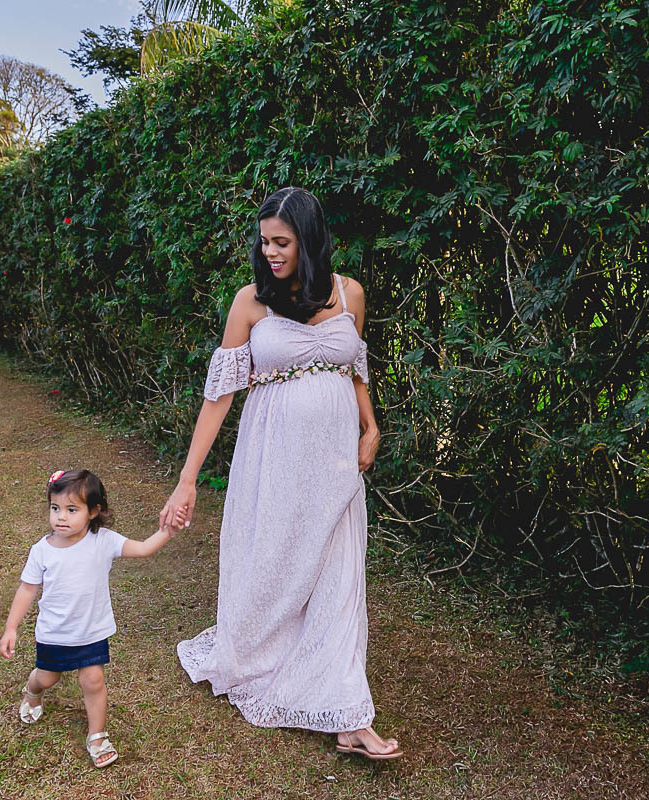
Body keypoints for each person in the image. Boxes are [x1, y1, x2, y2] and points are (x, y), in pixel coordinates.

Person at [159, 187, 401, 760]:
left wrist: (370, 425)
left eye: (282, 242)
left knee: (342, 575)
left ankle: (348, 715)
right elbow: (219, 395)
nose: (270, 251)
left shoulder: (350, 294)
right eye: (264, 241)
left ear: (310, 240)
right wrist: (188, 478)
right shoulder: (250, 304)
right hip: (274, 459)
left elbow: (354, 367)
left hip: (337, 459)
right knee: (276, 562)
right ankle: (263, 651)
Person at [0, 468, 184, 768]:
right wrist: (11, 628)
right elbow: (27, 589)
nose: (61, 517)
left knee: (93, 680)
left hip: (91, 631)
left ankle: (97, 735)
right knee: (48, 677)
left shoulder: (103, 541)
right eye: (55, 508)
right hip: (54, 633)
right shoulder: (42, 551)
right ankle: (32, 691)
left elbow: (143, 549)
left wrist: (167, 531)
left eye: (72, 510)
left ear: (94, 511)